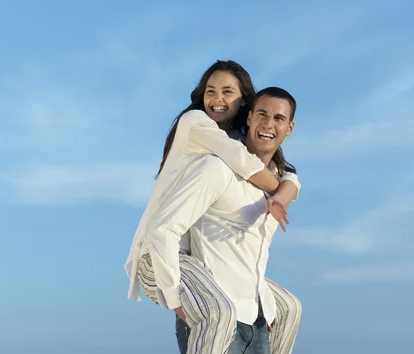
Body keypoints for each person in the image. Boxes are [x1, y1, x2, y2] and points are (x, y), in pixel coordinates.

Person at [125, 61, 301, 354]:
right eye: (211, 91)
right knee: (219, 313)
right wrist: (177, 302)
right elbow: (241, 159)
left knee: (288, 307)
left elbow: (291, 177)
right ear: (249, 116)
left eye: (227, 92)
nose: (218, 99)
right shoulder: (202, 135)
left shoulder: (262, 165)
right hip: (160, 253)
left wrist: (283, 193)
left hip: (214, 277)